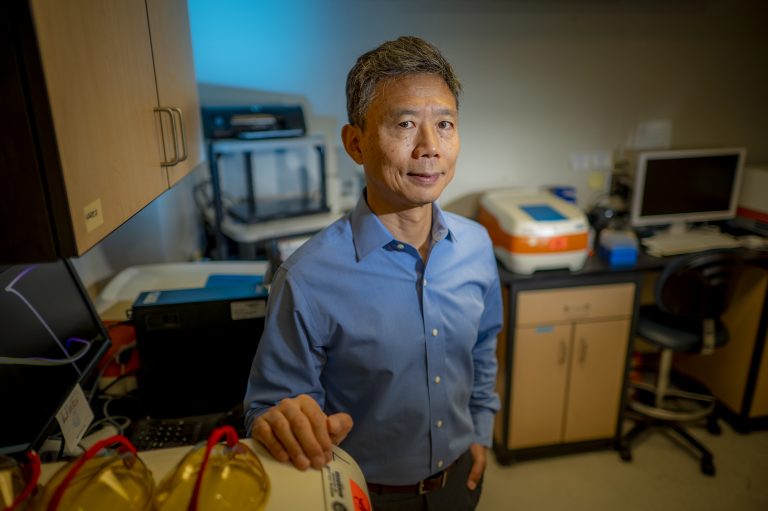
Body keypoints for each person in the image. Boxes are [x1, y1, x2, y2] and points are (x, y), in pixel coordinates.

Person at [244, 35, 502, 511]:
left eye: (444, 124)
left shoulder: (477, 246)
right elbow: (270, 406)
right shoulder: (306, 278)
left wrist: (481, 431)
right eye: (405, 124)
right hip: (366, 494)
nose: (430, 148)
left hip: (461, 478)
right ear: (356, 142)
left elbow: (483, 349)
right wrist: (281, 422)